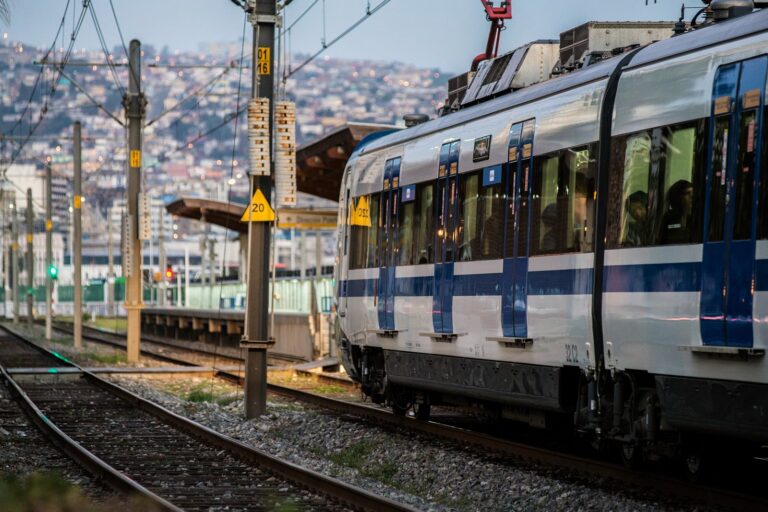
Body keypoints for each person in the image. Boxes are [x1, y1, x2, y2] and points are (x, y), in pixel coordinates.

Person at [660, 179, 694, 244]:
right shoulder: (669, 217)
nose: (692, 196)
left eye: (693, 192)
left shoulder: (696, 217)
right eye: (687, 193)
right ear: (678, 197)